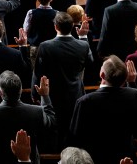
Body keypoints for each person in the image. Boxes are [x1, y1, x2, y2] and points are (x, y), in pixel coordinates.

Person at [68, 56, 137, 164]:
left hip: (96, 158)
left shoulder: (85, 102)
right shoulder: (134, 94)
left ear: (102, 74)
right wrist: (132, 83)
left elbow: (75, 138)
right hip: (126, 156)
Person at [32, 12, 93, 144]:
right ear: (72, 26)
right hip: (75, 93)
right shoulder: (83, 45)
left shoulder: (45, 46)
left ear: (55, 27)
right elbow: (90, 64)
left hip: (53, 94)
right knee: (73, 128)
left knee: (55, 130)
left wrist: (35, 94)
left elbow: (38, 73)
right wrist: (83, 37)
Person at [0, 70, 54, 164]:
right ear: (20, 90)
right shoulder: (36, 112)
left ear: (0, 93)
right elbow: (51, 123)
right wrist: (45, 96)